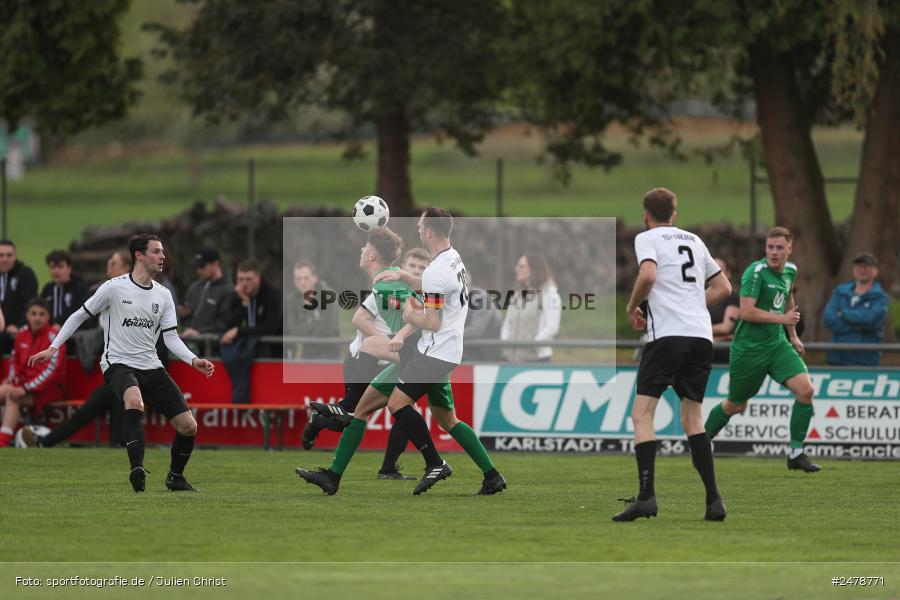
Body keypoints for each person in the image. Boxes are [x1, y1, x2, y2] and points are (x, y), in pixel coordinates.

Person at [297, 208, 506, 496]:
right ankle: (492, 476)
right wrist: (405, 276)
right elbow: (431, 289)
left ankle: (434, 462)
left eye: (420, 225)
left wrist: (406, 322)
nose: (418, 229)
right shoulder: (452, 258)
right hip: (437, 351)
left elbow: (427, 317)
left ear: (429, 231)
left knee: (393, 401)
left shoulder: (415, 276)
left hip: (429, 353)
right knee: (440, 418)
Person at [28, 234, 215, 493]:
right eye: (156, 252)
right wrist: (53, 346)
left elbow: (171, 337)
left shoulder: (164, 295)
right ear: (139, 255)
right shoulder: (114, 287)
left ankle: (175, 477)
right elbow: (79, 315)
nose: (162, 257)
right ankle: (137, 469)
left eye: (162, 252)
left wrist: (193, 359)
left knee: (188, 426)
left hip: (151, 366)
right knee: (134, 401)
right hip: (118, 363)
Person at [613, 188, 731, 522]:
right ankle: (713, 501)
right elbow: (724, 288)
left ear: (645, 215)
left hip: (667, 335)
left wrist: (633, 305)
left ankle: (647, 497)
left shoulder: (647, 237)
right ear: (674, 214)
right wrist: (692, 304)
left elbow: (648, 275)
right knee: (693, 418)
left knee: (642, 415)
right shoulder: (694, 240)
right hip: (701, 336)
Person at [301, 247, 431, 481]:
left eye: (422, 268)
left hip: (389, 360)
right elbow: (359, 319)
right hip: (363, 360)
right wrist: (387, 342)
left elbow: (426, 316)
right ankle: (320, 422)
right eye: (412, 266)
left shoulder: (419, 295)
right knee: (357, 414)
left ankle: (386, 469)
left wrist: (395, 341)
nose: (417, 271)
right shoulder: (387, 287)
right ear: (403, 268)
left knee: (401, 409)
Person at [704, 227, 821, 473]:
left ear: (790, 248)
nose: (774, 253)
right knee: (735, 405)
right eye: (770, 247)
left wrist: (792, 337)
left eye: (779, 248)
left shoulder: (791, 270)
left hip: (777, 345)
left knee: (806, 390)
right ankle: (700, 442)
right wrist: (783, 320)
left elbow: (787, 297)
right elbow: (746, 312)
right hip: (749, 350)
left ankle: (796, 453)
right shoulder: (755, 273)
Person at [0, 299, 67, 447]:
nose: (37, 317)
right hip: (24, 384)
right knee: (6, 392)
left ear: (48, 316)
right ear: (27, 316)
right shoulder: (22, 333)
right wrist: (12, 378)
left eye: (42, 314)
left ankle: (2, 442)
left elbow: (50, 373)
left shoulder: (55, 338)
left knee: (13, 397)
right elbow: (13, 358)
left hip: (49, 389)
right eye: (34, 314)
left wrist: (24, 389)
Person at [220, 260, 282, 404]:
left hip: (276, 352)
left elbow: (270, 327)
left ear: (258, 278)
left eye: (248, 279)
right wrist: (244, 304)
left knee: (270, 395)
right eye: (240, 279)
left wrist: (239, 331)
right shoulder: (239, 293)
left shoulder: (273, 294)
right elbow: (228, 324)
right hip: (252, 351)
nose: (244, 283)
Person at [823, 252, 889, 367]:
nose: (862, 269)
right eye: (859, 266)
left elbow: (872, 321)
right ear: (853, 269)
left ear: (875, 271)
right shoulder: (839, 292)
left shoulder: (881, 297)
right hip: (837, 359)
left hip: (866, 361)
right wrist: (858, 325)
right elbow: (828, 319)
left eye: (866, 266)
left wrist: (843, 313)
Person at [500, 255, 561, 362]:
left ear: (534, 269)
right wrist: (506, 344)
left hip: (537, 360)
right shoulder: (517, 294)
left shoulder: (549, 292)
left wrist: (533, 344)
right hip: (513, 360)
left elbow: (552, 326)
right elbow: (507, 323)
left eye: (521, 266)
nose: (516, 269)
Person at [284, 260, 340, 359]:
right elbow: (293, 330)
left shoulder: (328, 296)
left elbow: (326, 330)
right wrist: (314, 322)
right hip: (307, 354)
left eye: (306, 278)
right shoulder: (291, 300)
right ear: (294, 281)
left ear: (315, 278)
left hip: (329, 353)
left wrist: (304, 328)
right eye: (298, 279)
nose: (302, 282)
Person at [179, 248, 233, 344]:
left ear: (216, 264)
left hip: (213, 349)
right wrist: (184, 315)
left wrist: (199, 333)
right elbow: (186, 320)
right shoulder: (194, 287)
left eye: (202, 266)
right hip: (191, 346)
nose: (199, 271)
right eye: (197, 267)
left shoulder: (228, 290)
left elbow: (225, 323)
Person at [0, 240, 39, 354]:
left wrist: (20, 326)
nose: (5, 259)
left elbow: (30, 303)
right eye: (1, 255)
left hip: (17, 334)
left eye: (9, 255)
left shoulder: (25, 274)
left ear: (15, 255)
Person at [40, 249, 91, 327]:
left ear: (69, 268)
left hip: (74, 336)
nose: (56, 271)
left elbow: (86, 317)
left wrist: (63, 329)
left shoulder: (81, 288)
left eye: (60, 267)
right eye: (52, 267)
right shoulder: (47, 289)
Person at [709, 258, 740, 365]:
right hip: (704, 347)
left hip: (723, 352)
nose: (715, 274)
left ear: (728, 274)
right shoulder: (701, 294)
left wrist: (701, 330)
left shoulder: (733, 297)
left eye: (719, 270)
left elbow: (726, 328)